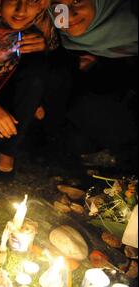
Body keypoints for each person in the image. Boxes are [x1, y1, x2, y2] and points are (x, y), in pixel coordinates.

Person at [0, 0, 59, 180]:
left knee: (38, 70)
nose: (21, 10)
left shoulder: (47, 21)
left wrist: (45, 46)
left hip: (10, 97)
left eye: (32, 1)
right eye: (14, 0)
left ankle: (7, 152)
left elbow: (50, 67)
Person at [50, 0, 138, 172]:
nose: (70, 13)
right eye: (59, 5)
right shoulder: (61, 39)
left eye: (77, 1)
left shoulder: (131, 18)